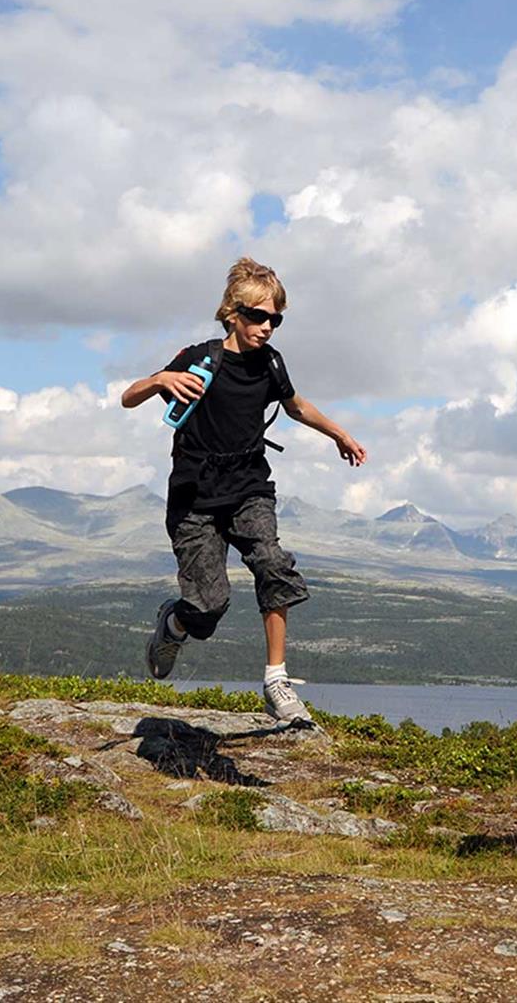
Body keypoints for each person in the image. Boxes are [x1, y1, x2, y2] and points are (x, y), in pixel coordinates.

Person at [119, 257, 366, 723]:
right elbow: (127, 397)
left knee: (273, 564)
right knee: (208, 609)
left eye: (276, 319)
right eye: (258, 316)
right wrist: (158, 381)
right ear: (232, 313)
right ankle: (173, 624)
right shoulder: (200, 357)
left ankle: (277, 681)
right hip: (195, 498)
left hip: (249, 486)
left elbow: (295, 406)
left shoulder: (271, 364)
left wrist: (339, 434)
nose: (267, 326)